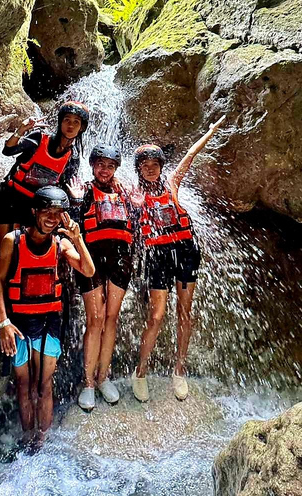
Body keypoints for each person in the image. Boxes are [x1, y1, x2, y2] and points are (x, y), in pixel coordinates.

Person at [130, 115, 226, 402]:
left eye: (154, 165)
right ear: (138, 169)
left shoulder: (171, 184)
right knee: (156, 315)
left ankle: (179, 369)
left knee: (185, 313)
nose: (150, 170)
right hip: (158, 257)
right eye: (145, 166)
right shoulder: (133, 194)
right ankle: (141, 371)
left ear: (160, 167)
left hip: (185, 251)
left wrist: (210, 132)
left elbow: (191, 154)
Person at [0, 186, 95, 438]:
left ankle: (42, 440)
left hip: (49, 321)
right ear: (34, 212)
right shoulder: (12, 241)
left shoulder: (61, 244)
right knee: (24, 385)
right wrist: (3, 322)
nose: (52, 217)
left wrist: (78, 238)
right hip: (18, 322)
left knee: (45, 385)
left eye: (58, 213)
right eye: (47, 211)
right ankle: (28, 436)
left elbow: (89, 270)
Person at [68, 145, 134, 411]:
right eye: (100, 164)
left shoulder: (126, 193)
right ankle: (88, 383)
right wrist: (74, 201)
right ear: (93, 166)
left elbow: (137, 221)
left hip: (120, 261)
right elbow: (72, 227)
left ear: (115, 168)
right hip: (91, 261)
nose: (104, 170)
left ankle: (103, 376)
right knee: (95, 320)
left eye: (110, 165)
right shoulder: (82, 191)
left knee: (111, 318)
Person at [0, 101, 90, 246]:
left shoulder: (72, 158)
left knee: (22, 247)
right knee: (5, 245)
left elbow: (63, 191)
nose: (71, 125)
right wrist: (21, 130)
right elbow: (8, 150)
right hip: (10, 196)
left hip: (34, 206)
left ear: (81, 127)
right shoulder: (39, 138)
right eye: (67, 120)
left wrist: (76, 199)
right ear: (60, 122)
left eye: (76, 122)